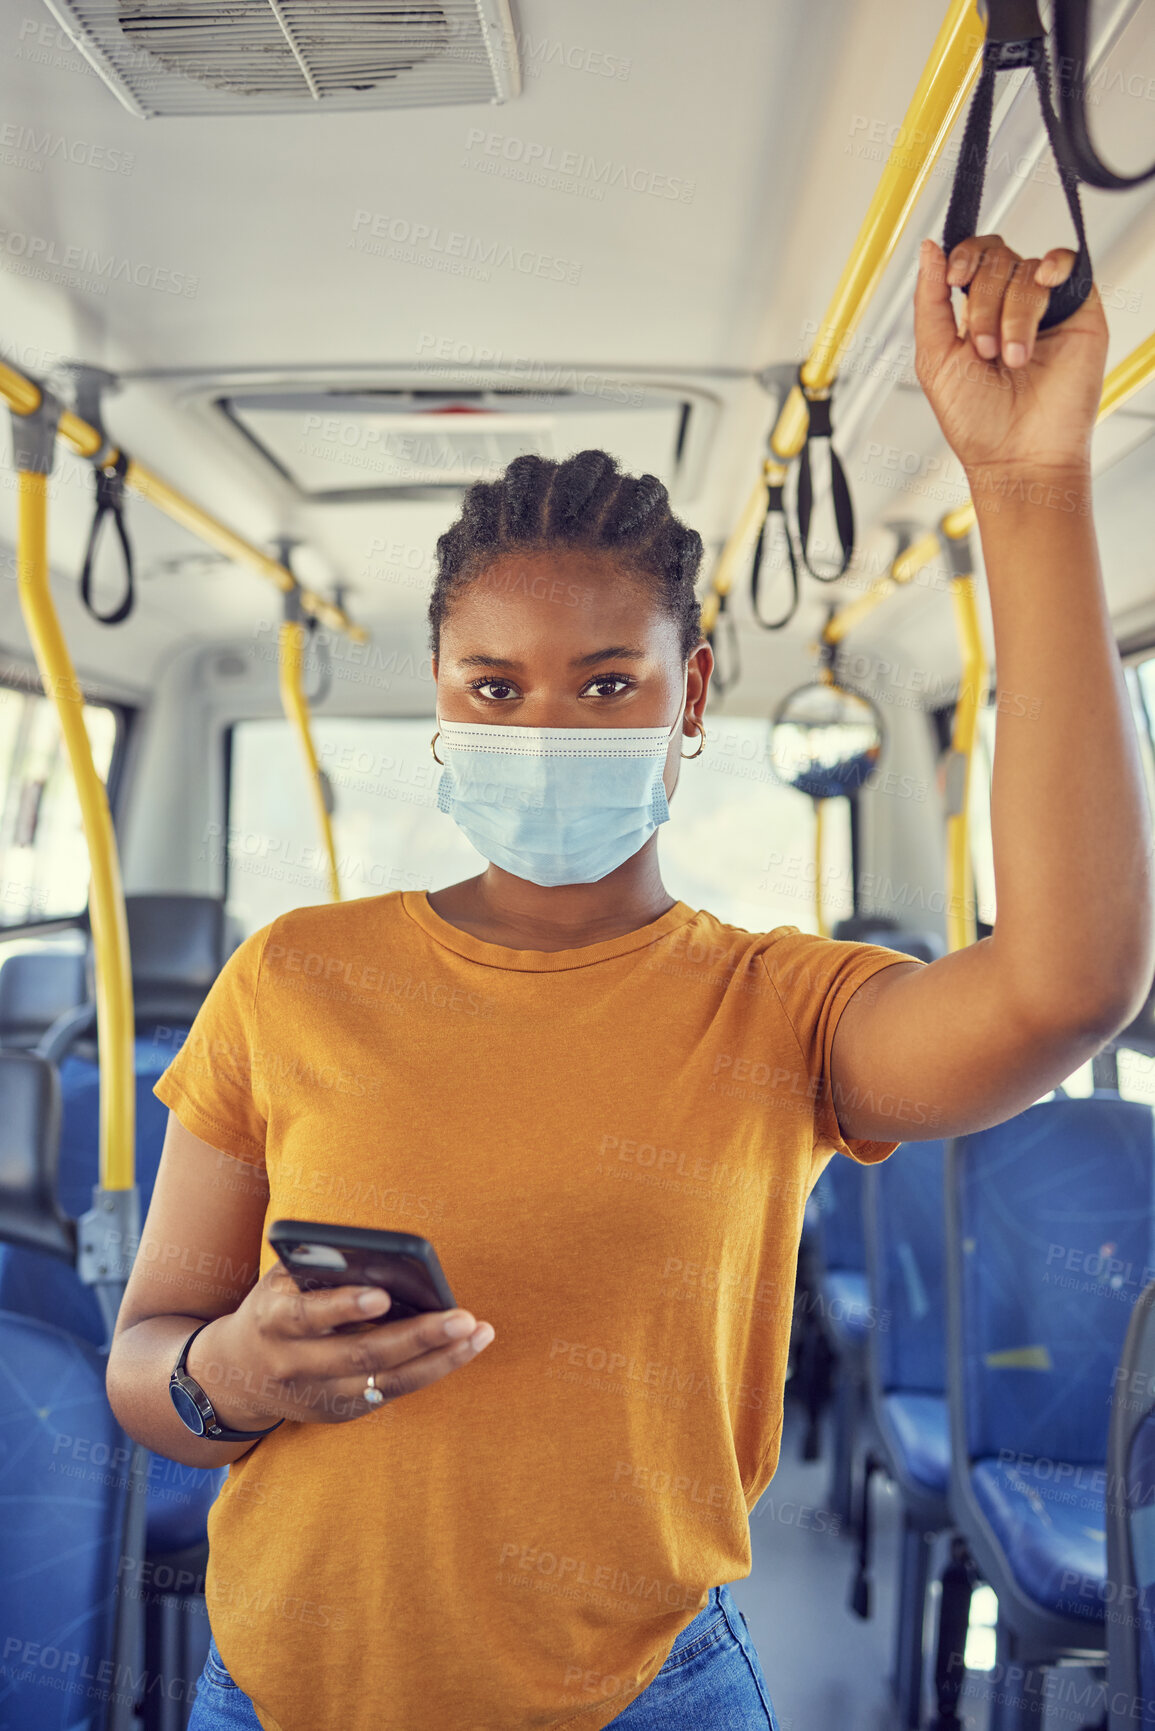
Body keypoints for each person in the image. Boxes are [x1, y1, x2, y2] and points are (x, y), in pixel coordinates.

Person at [107, 233, 1153, 1731]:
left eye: (609, 683)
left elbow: (1069, 984)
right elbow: (145, 1370)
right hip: (284, 1686)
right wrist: (235, 1374)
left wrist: (1034, 486)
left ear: (697, 695)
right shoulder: (294, 979)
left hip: (649, 1693)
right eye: (496, 687)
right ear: (442, 702)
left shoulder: (779, 1014)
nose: (549, 726)